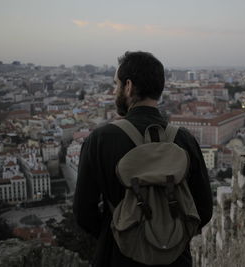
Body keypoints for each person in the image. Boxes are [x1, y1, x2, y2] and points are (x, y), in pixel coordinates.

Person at [73, 51, 213, 267]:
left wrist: (120, 229)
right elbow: (203, 209)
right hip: (175, 259)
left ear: (128, 86)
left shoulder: (99, 141)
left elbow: (84, 213)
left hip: (118, 256)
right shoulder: (185, 140)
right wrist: (169, 233)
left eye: (116, 85)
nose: (114, 91)